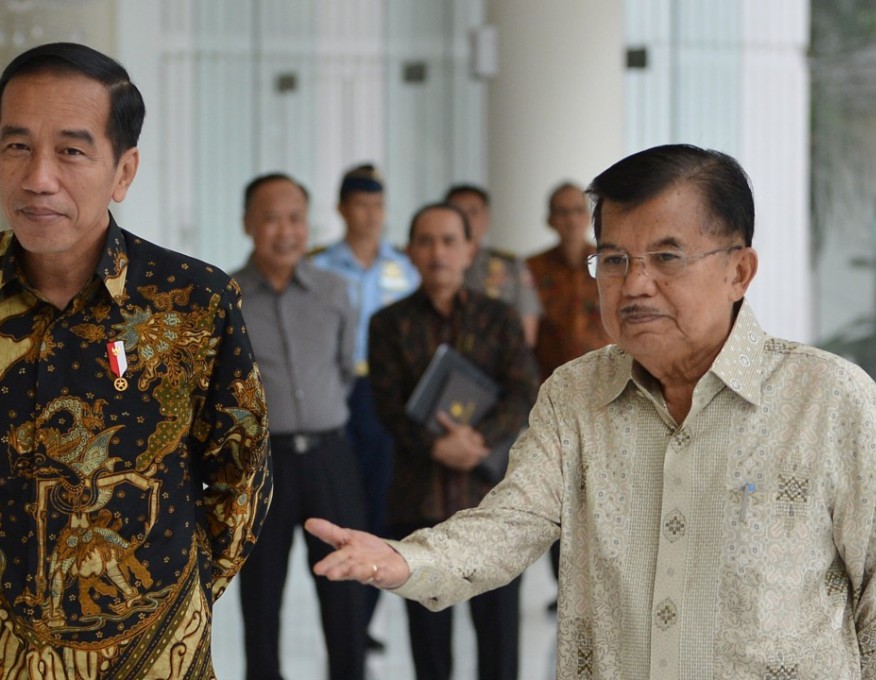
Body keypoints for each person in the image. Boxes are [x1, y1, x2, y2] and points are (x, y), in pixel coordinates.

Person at [307, 144, 876, 679]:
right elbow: (512, 523)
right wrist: (404, 561)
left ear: (739, 271)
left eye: (666, 257)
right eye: (613, 259)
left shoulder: (827, 400)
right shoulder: (575, 395)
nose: (634, 285)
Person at [0, 42, 272, 679]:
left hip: (149, 660)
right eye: (17, 146)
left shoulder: (194, 302)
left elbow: (241, 477)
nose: (38, 177)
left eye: (71, 150)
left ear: (124, 171)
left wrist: (177, 601)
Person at [366, 202, 538, 679]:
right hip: (418, 501)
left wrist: (478, 439)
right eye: (426, 241)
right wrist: (437, 445)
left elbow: (524, 388)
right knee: (428, 644)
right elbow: (386, 404)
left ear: (469, 251)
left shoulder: (499, 318)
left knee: (499, 638)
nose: (437, 252)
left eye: (448, 241)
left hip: (492, 507)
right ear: (409, 252)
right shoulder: (388, 323)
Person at [234, 172, 368, 680]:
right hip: (262, 463)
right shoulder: (227, 295)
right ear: (248, 224)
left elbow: (343, 370)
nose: (286, 231)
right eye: (271, 219)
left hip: (331, 459)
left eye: (295, 218)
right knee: (261, 596)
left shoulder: (336, 291)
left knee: (345, 593)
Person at [311, 162, 419, 646]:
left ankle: (364, 619)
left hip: (385, 398)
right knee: (342, 502)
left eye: (378, 205)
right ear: (341, 208)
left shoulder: (403, 267)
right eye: (361, 205)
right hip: (336, 392)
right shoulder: (319, 267)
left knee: (378, 504)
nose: (371, 215)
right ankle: (346, 619)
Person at [524, 181, 612, 605]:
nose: (570, 220)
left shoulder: (611, 261)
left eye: (577, 211)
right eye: (561, 212)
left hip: (607, 392)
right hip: (551, 397)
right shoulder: (532, 269)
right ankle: (566, 588)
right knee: (558, 495)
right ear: (549, 219)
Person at [444, 184, 540, 348]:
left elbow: (527, 332)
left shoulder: (510, 265)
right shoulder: (435, 263)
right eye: (457, 212)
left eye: (473, 212)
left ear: (486, 218)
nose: (466, 218)